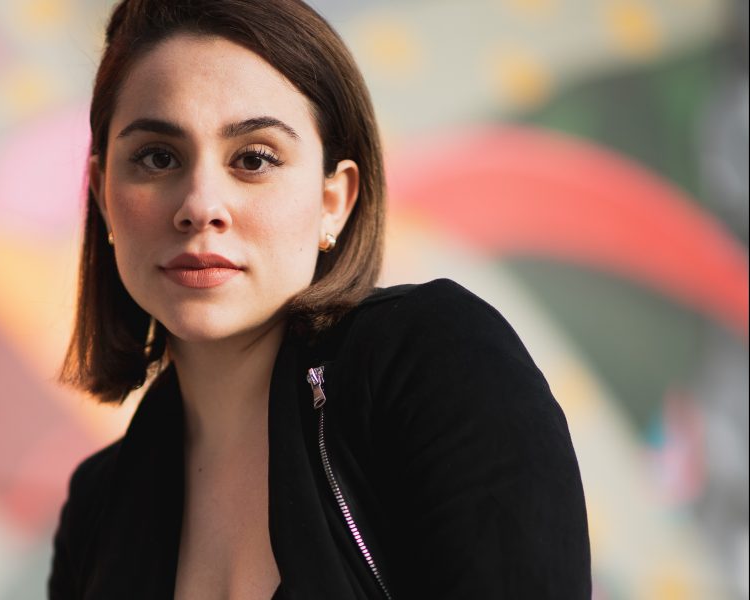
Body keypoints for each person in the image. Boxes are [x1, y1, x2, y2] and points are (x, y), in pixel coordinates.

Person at [48, 0, 591, 598]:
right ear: (102, 196)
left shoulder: (437, 361)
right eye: (157, 157)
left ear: (334, 201)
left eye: (253, 159)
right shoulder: (96, 511)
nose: (200, 206)